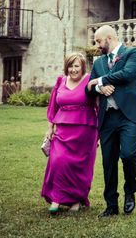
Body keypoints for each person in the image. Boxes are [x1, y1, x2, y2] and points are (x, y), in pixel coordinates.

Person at [86, 25, 136, 217]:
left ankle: (130, 191)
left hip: (128, 116)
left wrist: (99, 81)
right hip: (107, 118)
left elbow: (127, 74)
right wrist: (99, 89)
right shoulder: (98, 63)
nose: (97, 45)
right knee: (108, 162)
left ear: (109, 38)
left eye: (98, 41)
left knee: (129, 154)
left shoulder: (133, 53)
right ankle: (111, 205)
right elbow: (87, 91)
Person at [41, 52, 98, 215]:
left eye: (76, 66)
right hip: (62, 129)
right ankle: (56, 199)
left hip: (85, 130)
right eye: (70, 66)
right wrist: (49, 127)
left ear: (82, 67)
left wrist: (99, 132)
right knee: (58, 161)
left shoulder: (89, 80)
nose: (73, 70)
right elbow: (53, 106)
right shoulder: (61, 81)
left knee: (79, 166)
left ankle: (76, 199)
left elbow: (97, 105)